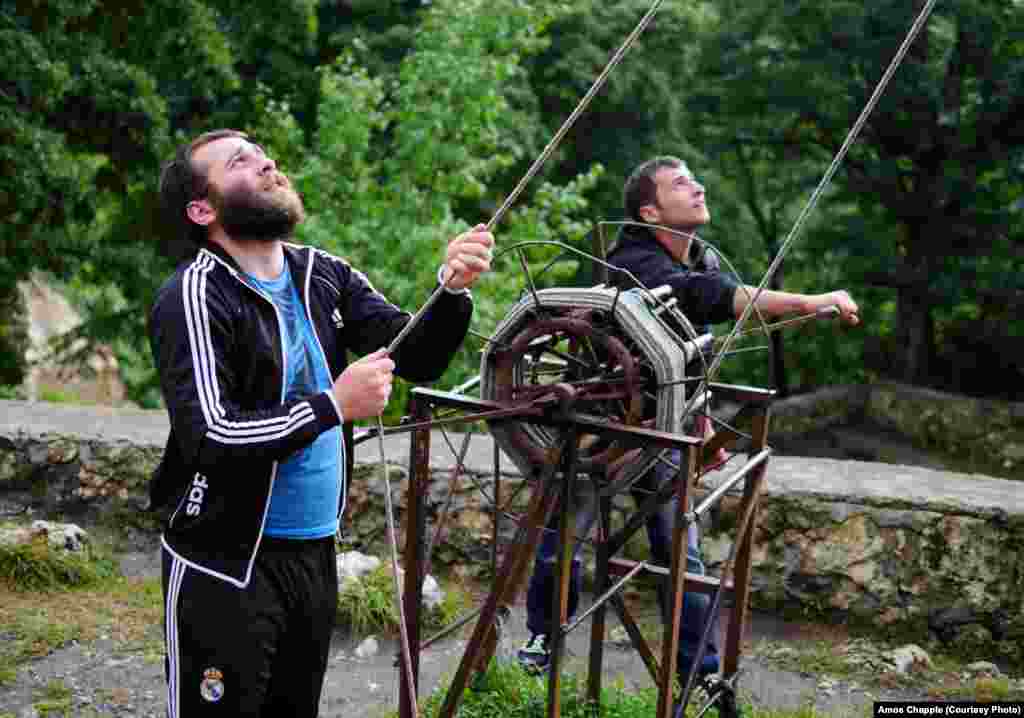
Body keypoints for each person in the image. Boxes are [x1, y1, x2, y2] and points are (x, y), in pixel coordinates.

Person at [149, 129, 493, 717]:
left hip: (314, 552)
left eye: (263, 154)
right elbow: (212, 434)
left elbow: (412, 354)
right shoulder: (193, 294)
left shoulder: (322, 272)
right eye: (240, 161)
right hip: (226, 562)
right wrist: (332, 406)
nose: (266, 163)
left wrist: (451, 290)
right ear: (202, 209)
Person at [518, 156, 858, 691]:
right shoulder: (636, 263)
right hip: (600, 430)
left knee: (683, 553)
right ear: (650, 211)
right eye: (681, 184)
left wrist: (698, 428)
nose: (697, 187)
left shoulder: (694, 257)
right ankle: (541, 639)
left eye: (695, 179)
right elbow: (716, 299)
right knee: (564, 541)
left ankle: (698, 672)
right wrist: (812, 300)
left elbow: (683, 363)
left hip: (663, 429)